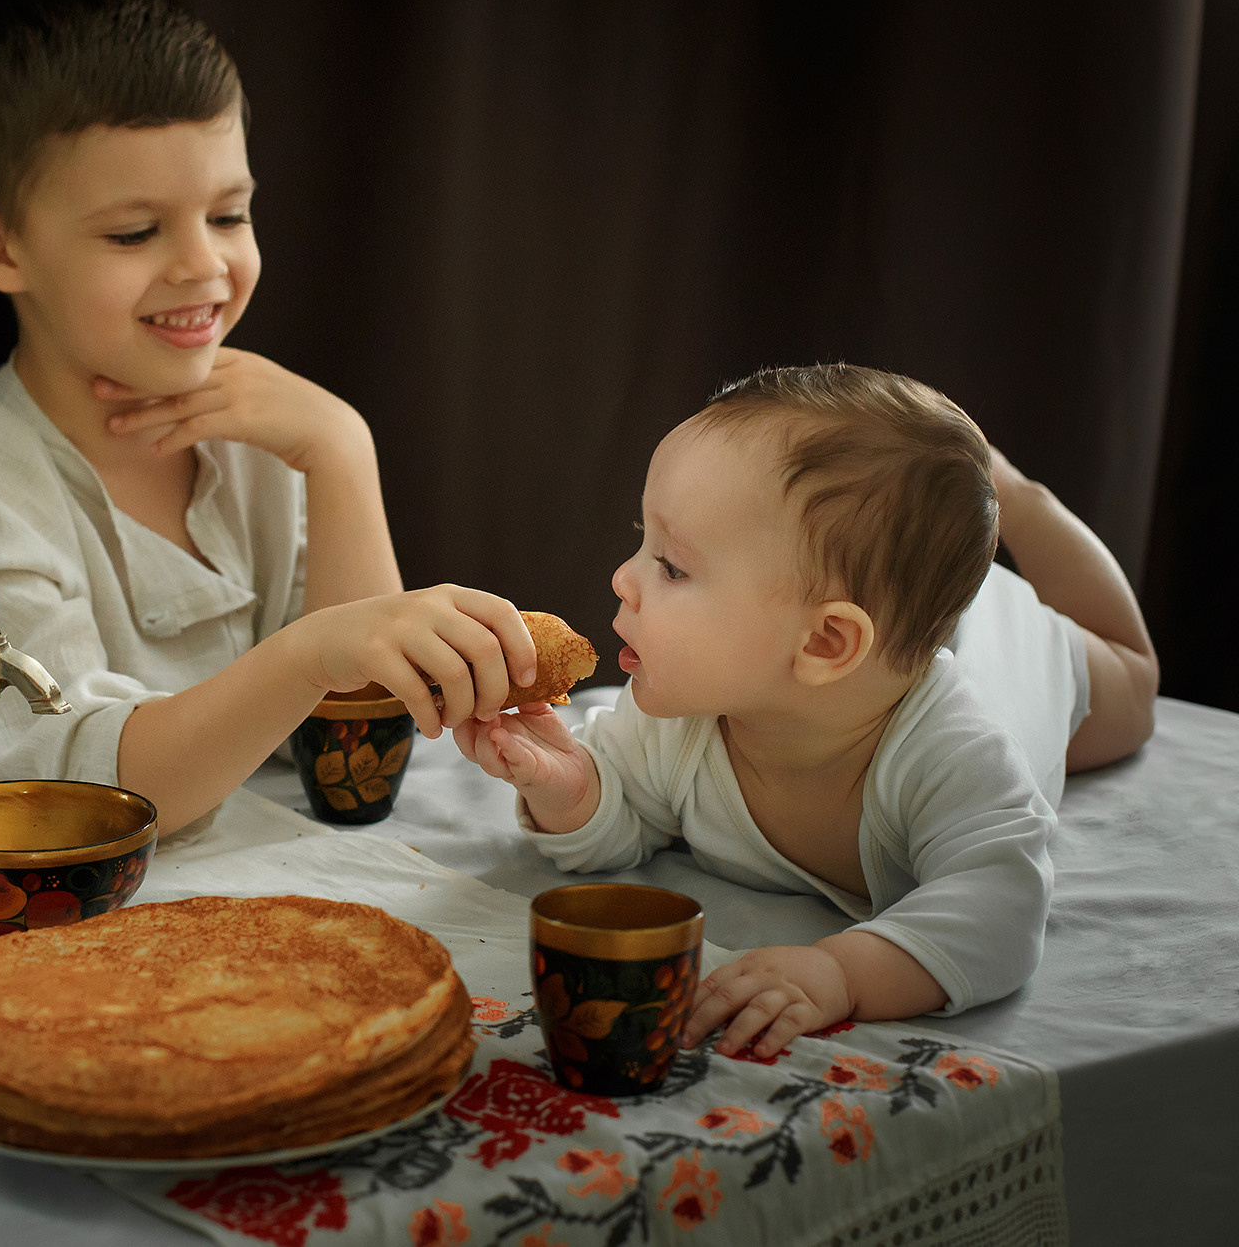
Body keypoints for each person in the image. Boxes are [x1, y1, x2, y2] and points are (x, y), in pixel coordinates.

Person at [0, 0, 534, 835]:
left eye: (230, 215)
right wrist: (312, 653)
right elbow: (104, 799)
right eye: (135, 231)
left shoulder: (269, 435)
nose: (204, 266)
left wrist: (342, 451)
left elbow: (361, 750)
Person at [456, 364, 1159, 1058]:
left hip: (1015, 646)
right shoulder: (684, 715)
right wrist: (571, 787)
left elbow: (1000, 905)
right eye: (644, 540)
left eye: (670, 565)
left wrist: (843, 971)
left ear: (823, 641)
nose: (622, 576)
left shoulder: (953, 749)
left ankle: (1019, 497)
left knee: (1132, 685)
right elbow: (623, 815)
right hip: (894, 628)